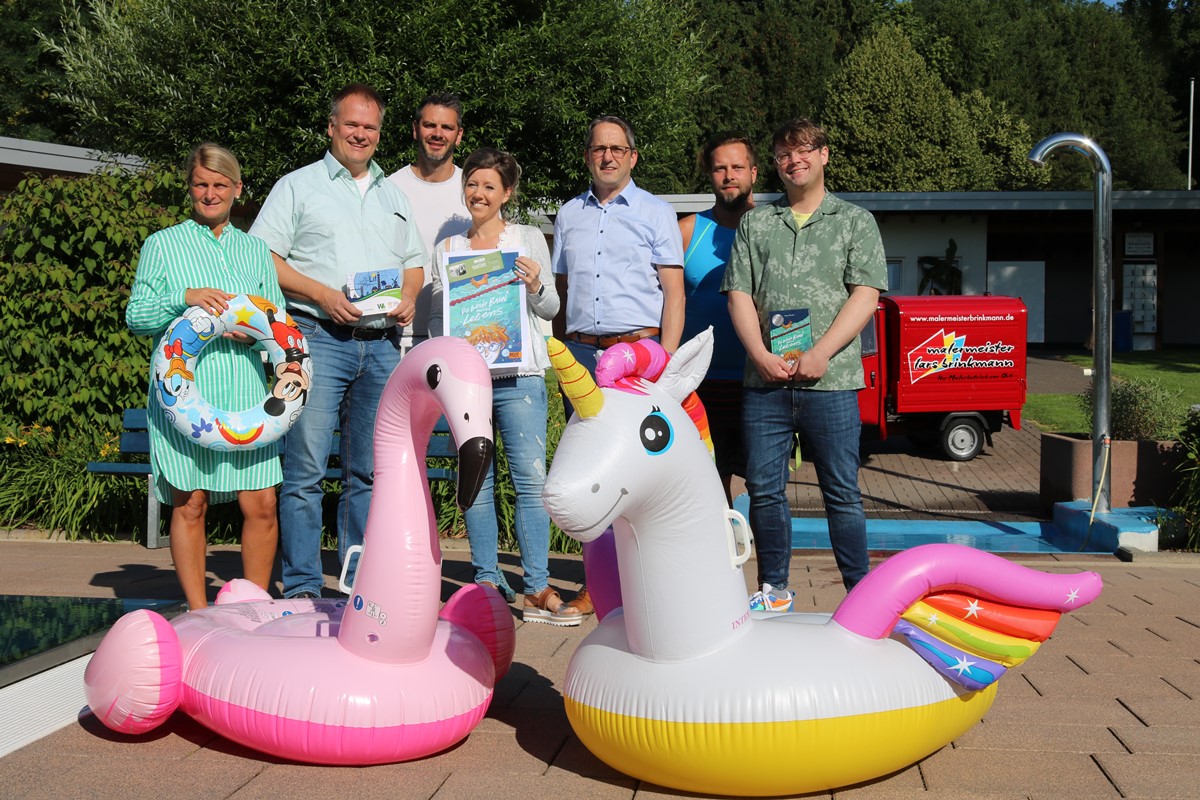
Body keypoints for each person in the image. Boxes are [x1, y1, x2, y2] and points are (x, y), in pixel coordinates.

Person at [250, 84, 426, 599]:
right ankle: (303, 586)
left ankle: (357, 584)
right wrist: (322, 294)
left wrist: (411, 295)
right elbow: (263, 257)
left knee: (366, 473)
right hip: (317, 337)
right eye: (352, 125)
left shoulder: (393, 195)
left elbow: (412, 264)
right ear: (331, 127)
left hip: (381, 344)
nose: (361, 134)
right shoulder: (297, 187)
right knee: (305, 470)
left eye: (370, 127)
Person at [722, 118, 887, 608]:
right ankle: (774, 589)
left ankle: (862, 596)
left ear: (824, 155)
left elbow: (865, 294)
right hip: (766, 382)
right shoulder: (757, 223)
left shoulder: (855, 221)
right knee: (765, 490)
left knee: (842, 492)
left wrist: (820, 354)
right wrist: (760, 355)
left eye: (804, 151)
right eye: (783, 155)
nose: (794, 161)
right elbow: (739, 294)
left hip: (831, 381)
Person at [127, 143, 284, 609]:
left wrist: (251, 334)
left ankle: (253, 608)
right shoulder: (162, 245)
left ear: (237, 189)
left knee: (262, 506)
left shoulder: (256, 251)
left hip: (247, 395)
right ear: (190, 188)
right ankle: (199, 614)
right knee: (189, 503)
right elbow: (137, 316)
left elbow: (277, 326)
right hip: (183, 399)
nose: (209, 193)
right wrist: (185, 295)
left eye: (219, 184)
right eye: (201, 184)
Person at [428, 147, 580, 626]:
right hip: (467, 385)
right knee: (476, 483)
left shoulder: (528, 238)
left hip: (520, 379)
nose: (479, 193)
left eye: (489, 186)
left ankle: (535, 587)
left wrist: (536, 285)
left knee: (531, 482)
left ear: (506, 193)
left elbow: (552, 309)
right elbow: (437, 321)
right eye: (472, 183)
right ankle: (487, 582)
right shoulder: (447, 251)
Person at [551, 115, 686, 616]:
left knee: (641, 470)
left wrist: (666, 363)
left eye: (616, 148)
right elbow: (562, 295)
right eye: (598, 148)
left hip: (637, 357)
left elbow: (673, 291)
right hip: (582, 356)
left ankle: (653, 582)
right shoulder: (567, 215)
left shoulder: (656, 212)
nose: (607, 156)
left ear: (632, 155)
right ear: (588, 155)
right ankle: (600, 588)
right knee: (593, 473)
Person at [678, 131, 758, 505]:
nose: (729, 175)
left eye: (737, 167)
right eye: (720, 168)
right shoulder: (688, 230)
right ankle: (717, 560)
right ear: (710, 175)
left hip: (759, 381)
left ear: (754, 173)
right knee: (706, 487)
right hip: (699, 383)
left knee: (763, 486)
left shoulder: (773, 230)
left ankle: (765, 563)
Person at [388, 92, 472, 355]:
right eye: (429, 125)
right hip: (395, 338)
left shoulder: (475, 192)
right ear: (415, 130)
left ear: (458, 135)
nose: (438, 133)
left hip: (459, 338)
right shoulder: (388, 190)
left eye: (447, 127)